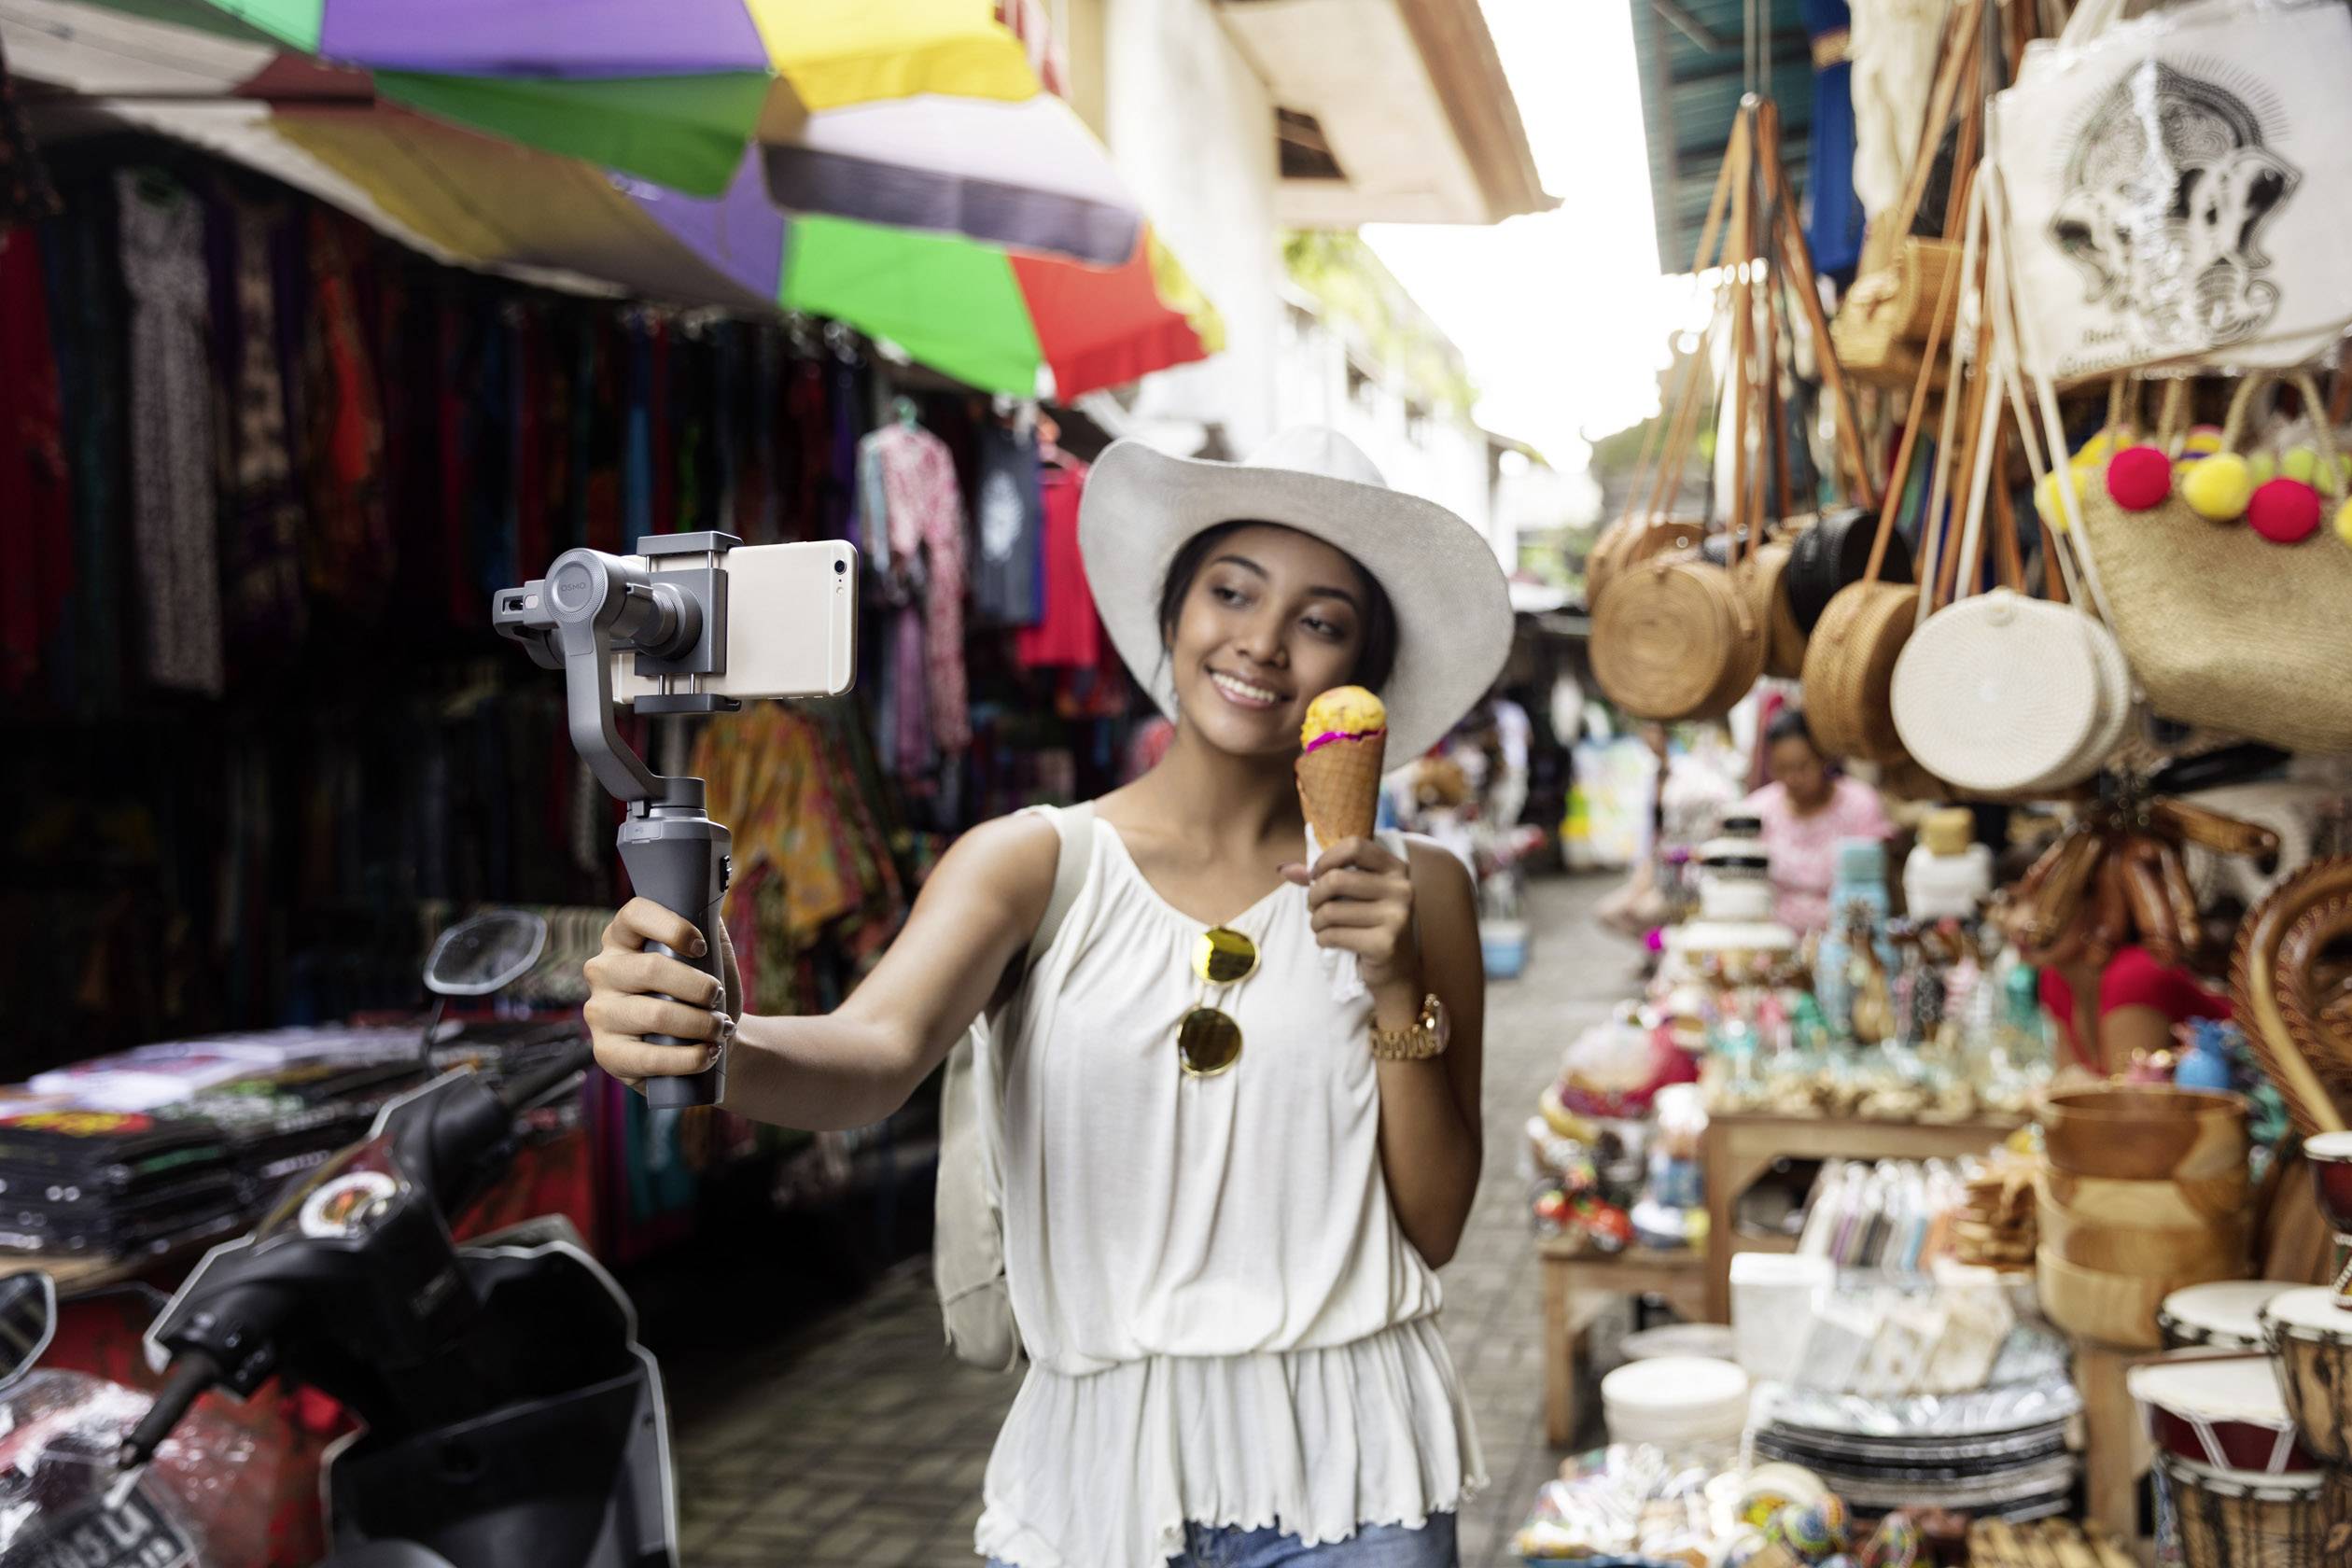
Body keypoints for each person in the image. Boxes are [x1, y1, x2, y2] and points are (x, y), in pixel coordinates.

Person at [581, 427, 1510, 1568]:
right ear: (1173, 613)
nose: (1264, 642)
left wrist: (1393, 976)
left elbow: (1438, 1223)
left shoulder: (1426, 893)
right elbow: (873, 1056)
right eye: (1233, 590)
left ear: (1359, 677)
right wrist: (712, 1042)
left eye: (1321, 620)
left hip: (1357, 1474)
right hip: (1098, 1480)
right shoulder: (1029, 862)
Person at [1743, 708, 1894, 936]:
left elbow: (1870, 884)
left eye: (1802, 766)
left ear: (1823, 757)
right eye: (1782, 769)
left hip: (1848, 939)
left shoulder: (1859, 803)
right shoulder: (1756, 811)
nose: (1793, 778)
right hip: (1774, 941)